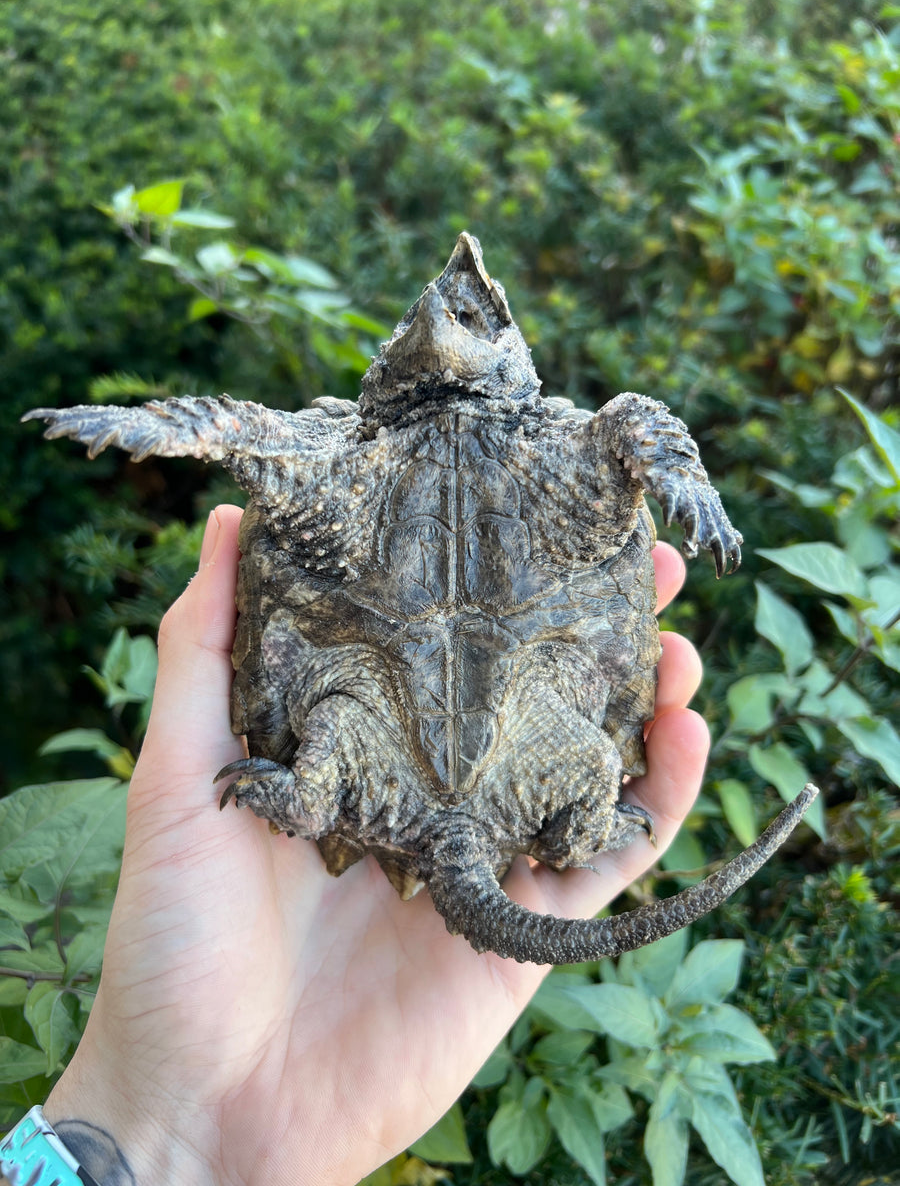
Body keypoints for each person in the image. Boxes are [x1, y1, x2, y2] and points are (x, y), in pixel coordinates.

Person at [36, 505, 708, 1186]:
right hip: (458, 737)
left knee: (351, 730)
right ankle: (572, 828)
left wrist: (159, 1122)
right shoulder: (560, 491)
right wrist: (179, 1129)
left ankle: (314, 799)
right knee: (592, 762)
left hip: (394, 739)